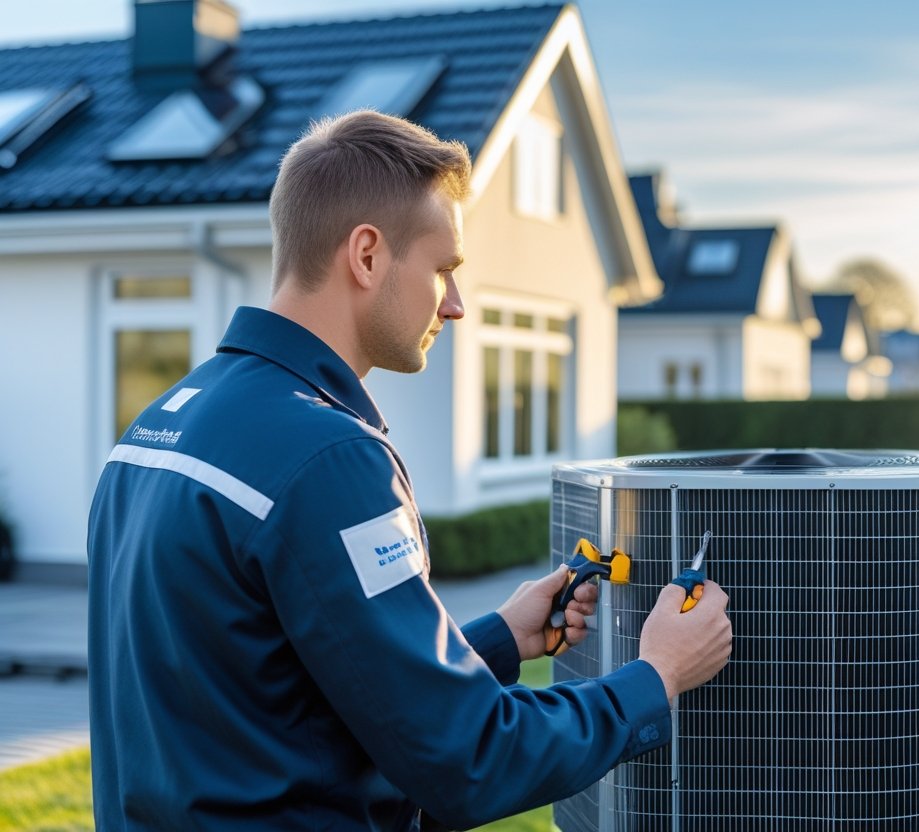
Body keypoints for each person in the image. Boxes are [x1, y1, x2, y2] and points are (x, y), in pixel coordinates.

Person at [87, 109, 733, 831]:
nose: (455, 306)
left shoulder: (155, 429)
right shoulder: (327, 458)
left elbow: (274, 692)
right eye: (443, 270)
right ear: (367, 255)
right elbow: (469, 760)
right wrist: (656, 676)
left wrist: (494, 640)